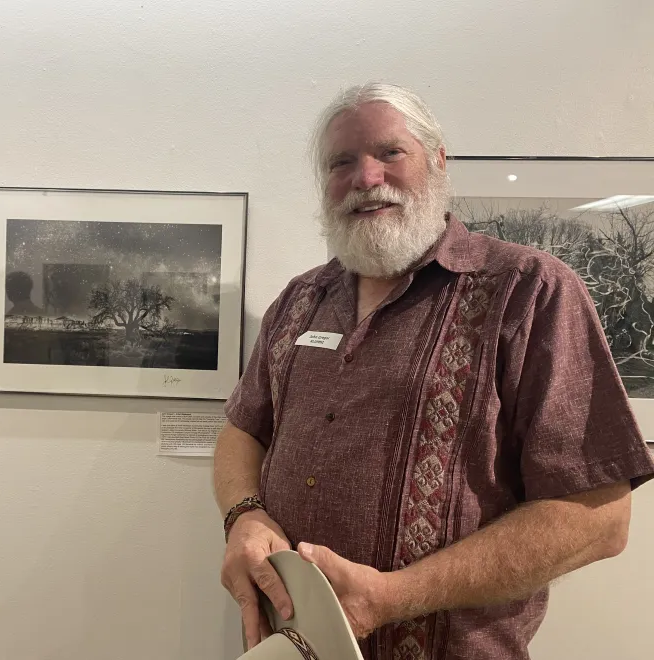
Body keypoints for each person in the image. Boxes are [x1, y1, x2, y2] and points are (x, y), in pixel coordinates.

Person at [213, 81, 654, 660]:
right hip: (287, 645)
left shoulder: (528, 290)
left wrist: (392, 597)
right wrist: (243, 516)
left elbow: (599, 517)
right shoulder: (301, 299)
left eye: (389, 153)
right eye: (341, 162)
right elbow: (242, 430)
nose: (366, 178)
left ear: (439, 161)